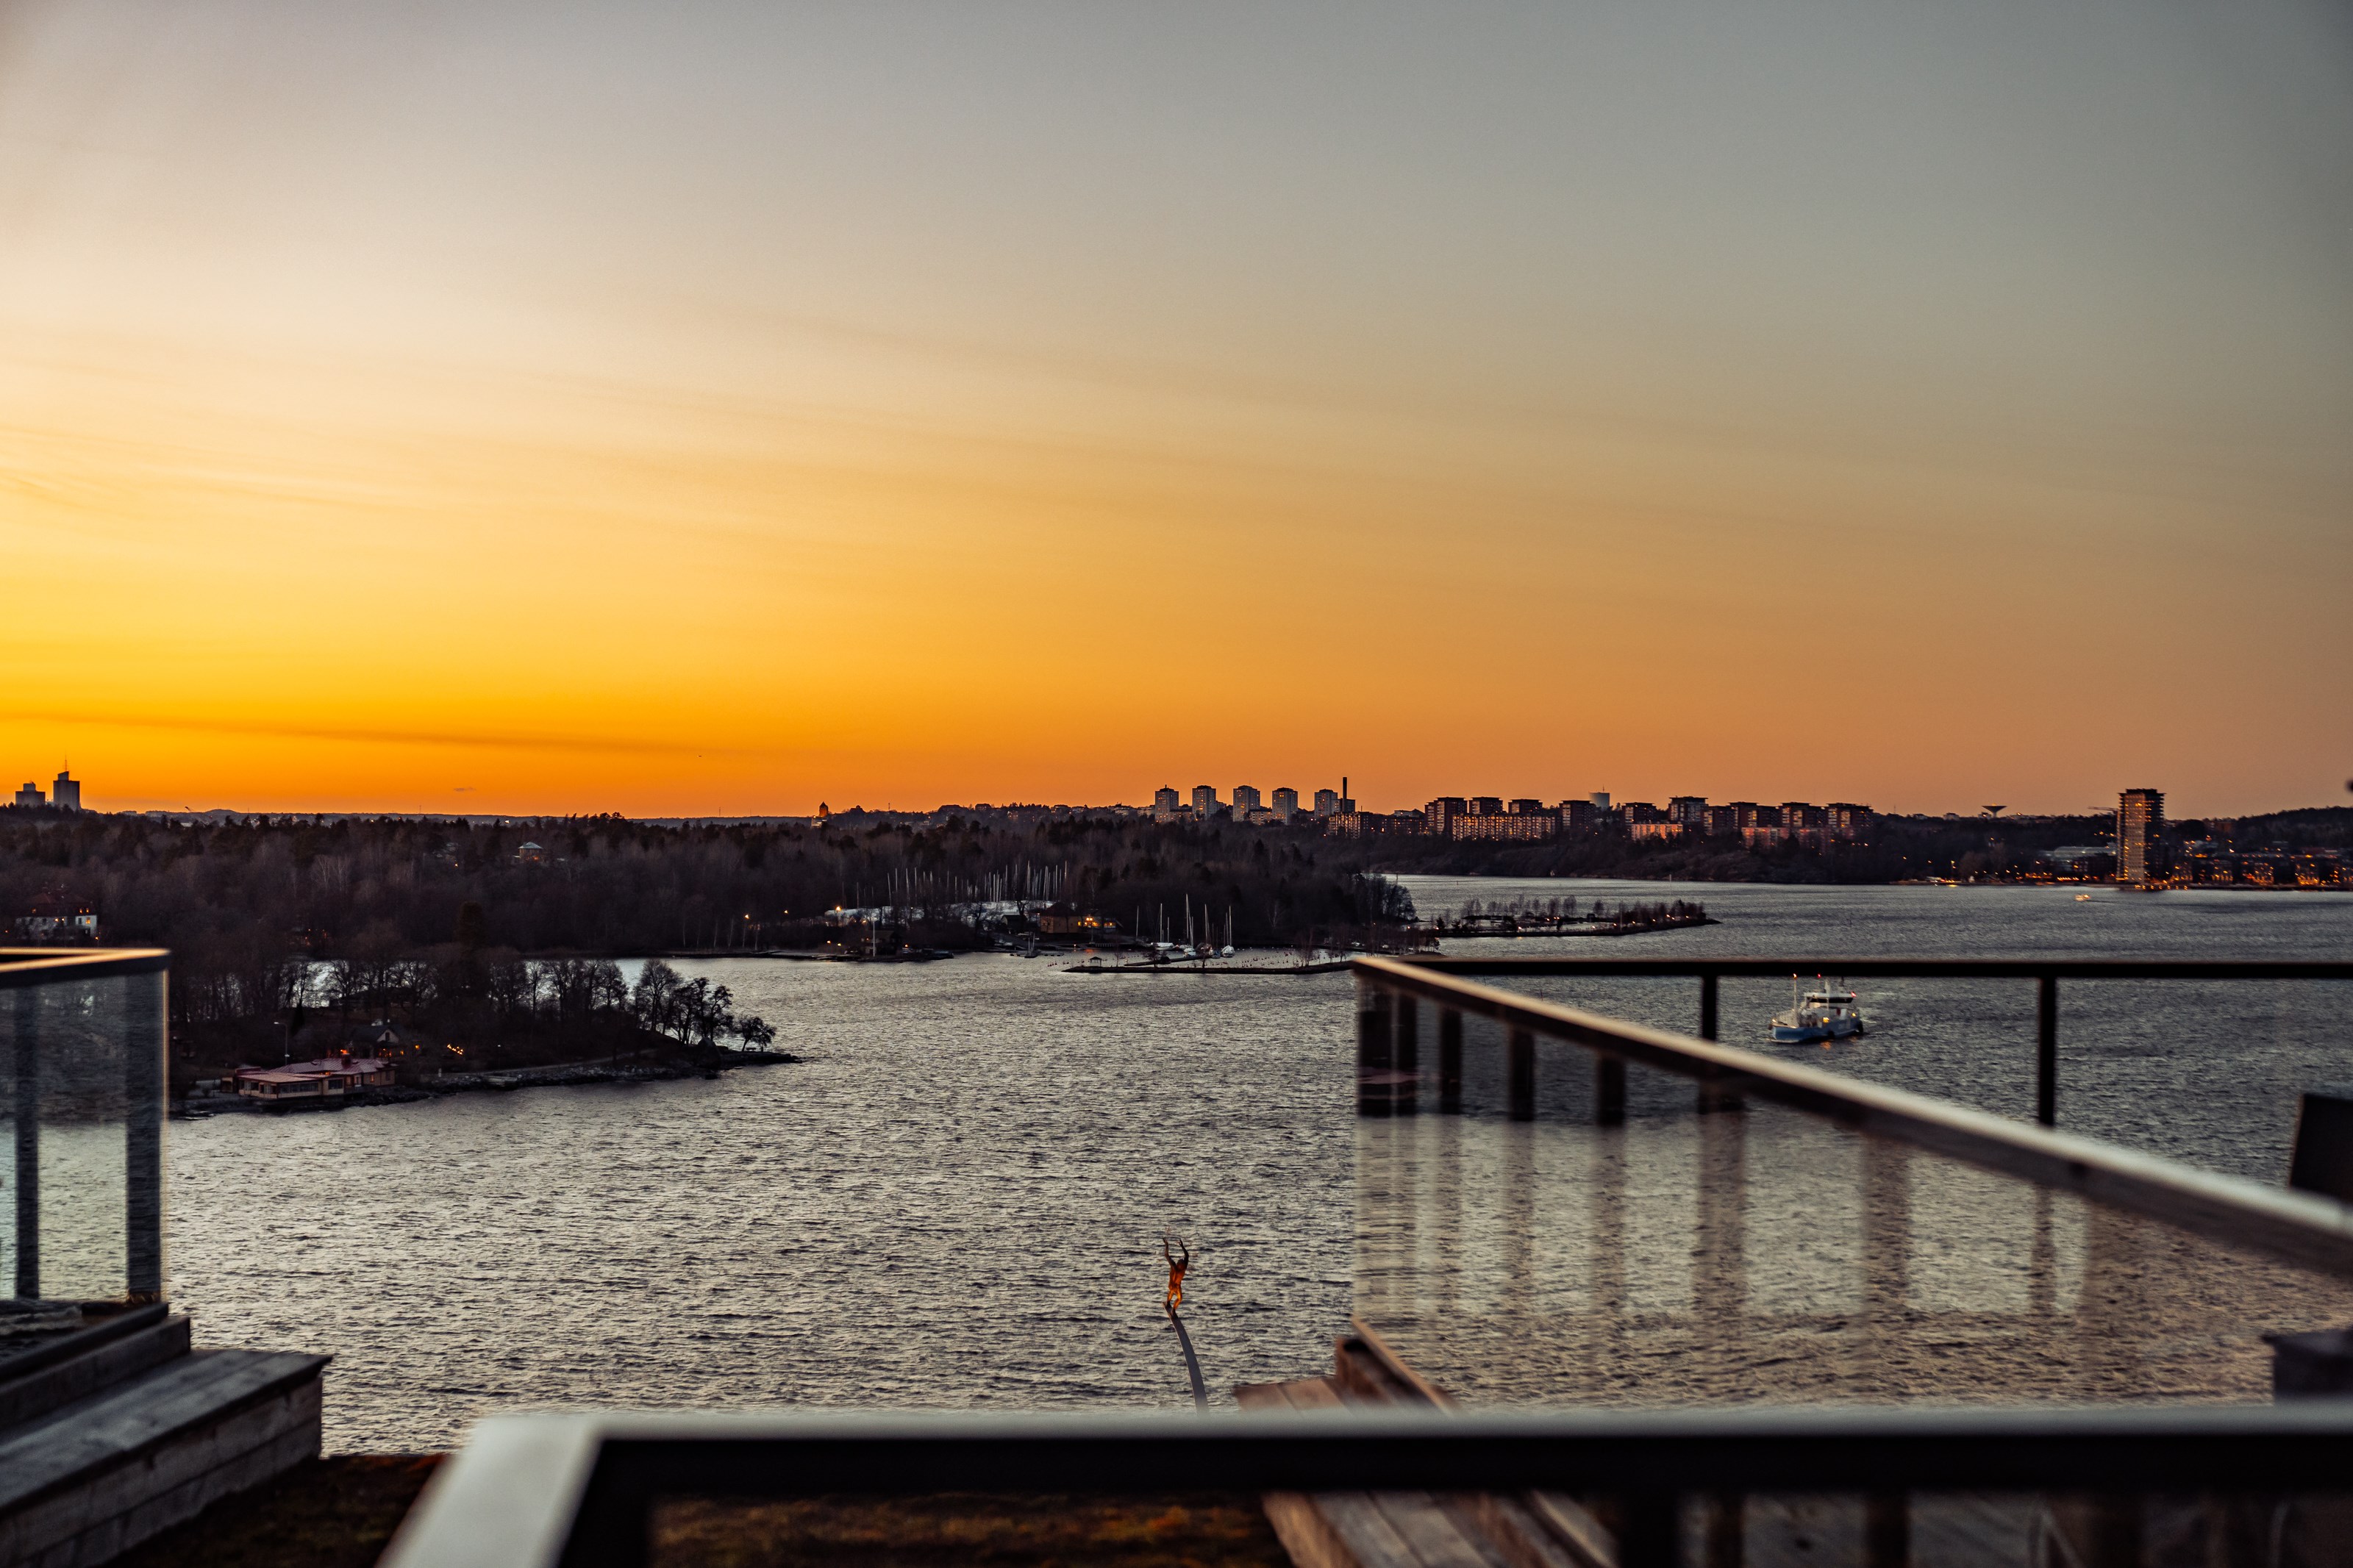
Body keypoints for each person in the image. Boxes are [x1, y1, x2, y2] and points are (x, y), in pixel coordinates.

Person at [1163, 1235, 1190, 1315]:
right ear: (1178, 1264)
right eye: (1181, 1263)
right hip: (1172, 1284)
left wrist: (1182, 1246)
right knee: (1171, 1291)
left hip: (1178, 1285)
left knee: (1180, 1298)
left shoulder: (1184, 1268)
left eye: (1183, 1263)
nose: (1182, 1264)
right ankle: (1168, 1303)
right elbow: (1167, 1255)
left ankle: (1173, 1309)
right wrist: (1167, 1245)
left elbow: (1187, 1256)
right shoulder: (1174, 1266)